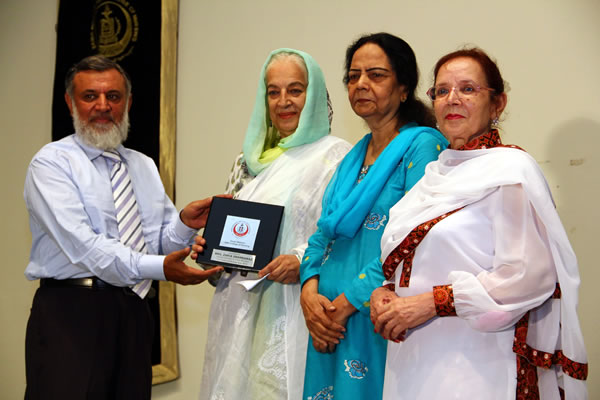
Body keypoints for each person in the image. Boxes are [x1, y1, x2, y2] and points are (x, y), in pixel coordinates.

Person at [371, 47, 588, 399]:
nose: (452, 99)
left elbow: (527, 275)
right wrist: (384, 292)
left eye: (468, 89)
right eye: (441, 91)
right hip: (412, 359)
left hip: (477, 363)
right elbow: (404, 262)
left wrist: (430, 303)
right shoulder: (430, 177)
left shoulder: (511, 172)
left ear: (497, 104)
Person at [23, 55, 223, 400]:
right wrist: (160, 269)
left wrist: (183, 224)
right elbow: (86, 247)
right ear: (71, 102)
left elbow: (157, 242)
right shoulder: (51, 164)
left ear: (128, 102)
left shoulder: (142, 165)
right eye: (90, 96)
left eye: (113, 97)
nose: (103, 106)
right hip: (72, 312)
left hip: (134, 312)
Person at [194, 49, 351, 400]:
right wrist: (211, 254)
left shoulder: (337, 156)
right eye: (273, 91)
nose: (284, 101)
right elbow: (231, 241)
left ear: (313, 95)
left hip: (295, 306)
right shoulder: (246, 162)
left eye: (295, 90)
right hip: (239, 312)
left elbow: (346, 239)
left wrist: (300, 258)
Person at [299, 33, 448, 400]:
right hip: (328, 322)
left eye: (376, 75)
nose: (361, 84)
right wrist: (309, 291)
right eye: (353, 76)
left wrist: (347, 304)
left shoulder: (423, 145)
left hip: (374, 318)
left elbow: (415, 238)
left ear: (403, 88)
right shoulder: (353, 157)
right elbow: (322, 234)